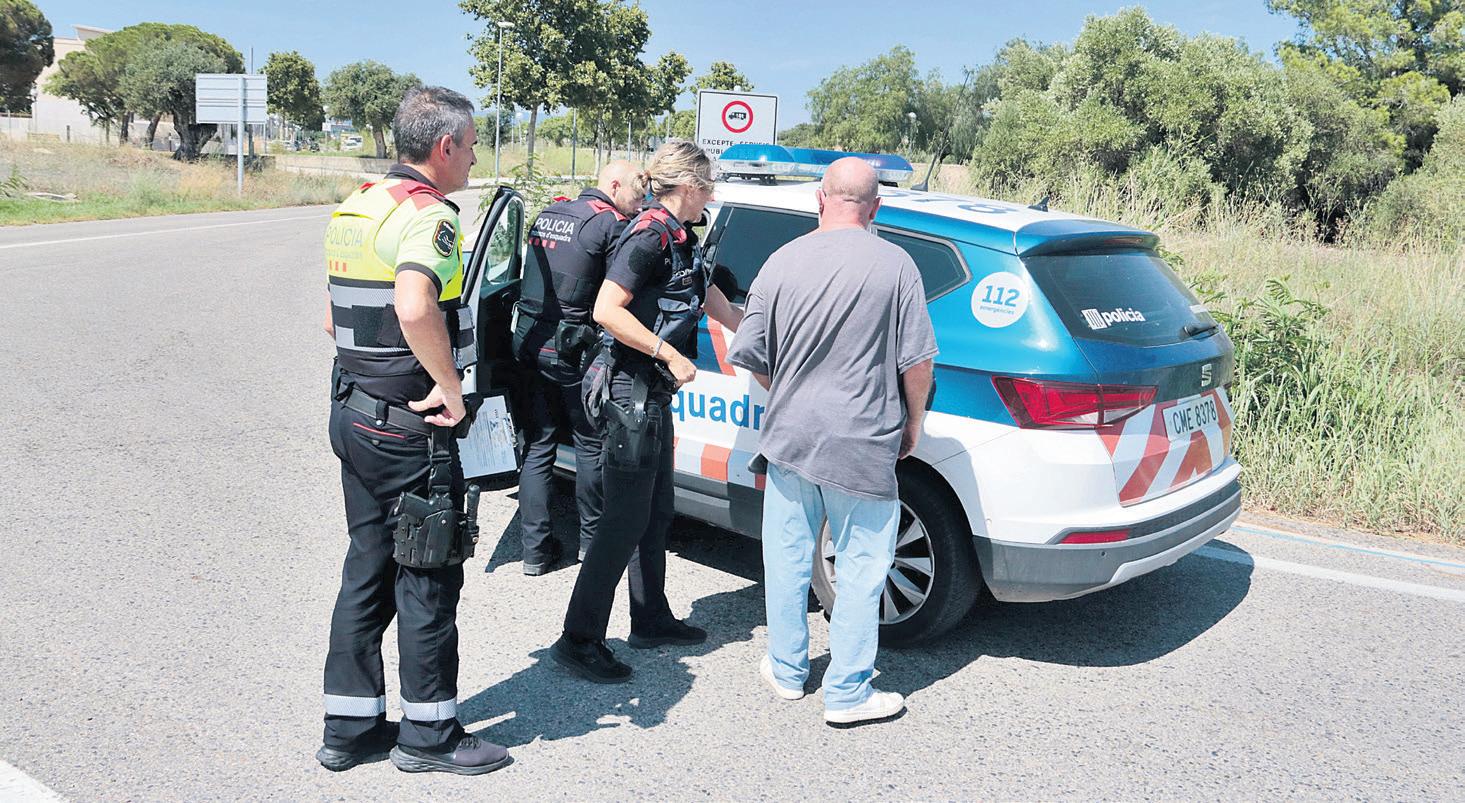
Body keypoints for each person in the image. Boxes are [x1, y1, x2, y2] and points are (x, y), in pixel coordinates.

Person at [318, 86, 510, 775]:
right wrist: (450, 386)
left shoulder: (358, 204)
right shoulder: (430, 215)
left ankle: (349, 728)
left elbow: (334, 319)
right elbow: (413, 304)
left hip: (354, 410)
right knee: (427, 573)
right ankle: (430, 735)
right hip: (410, 427)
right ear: (445, 146)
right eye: (473, 145)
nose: (475, 157)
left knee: (367, 566)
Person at [726, 157, 937, 726]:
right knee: (862, 568)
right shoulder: (896, 265)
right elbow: (918, 361)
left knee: (787, 558)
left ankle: (787, 671)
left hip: (790, 438)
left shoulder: (780, 260)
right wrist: (913, 422)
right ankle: (847, 693)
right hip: (863, 441)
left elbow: (748, 352)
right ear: (875, 207)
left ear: (820, 199)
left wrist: (789, 391)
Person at [551, 141, 743, 683]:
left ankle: (650, 618)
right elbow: (606, 309)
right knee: (623, 521)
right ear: (689, 186)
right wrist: (669, 353)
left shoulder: (683, 237)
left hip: (652, 394)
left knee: (656, 512)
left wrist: (758, 329)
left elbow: (710, 298)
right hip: (627, 392)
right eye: (708, 186)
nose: (711, 195)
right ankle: (578, 639)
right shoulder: (649, 235)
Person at [513, 161, 646, 575]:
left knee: (538, 445)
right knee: (589, 443)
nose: (640, 203)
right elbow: (619, 294)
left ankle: (534, 551)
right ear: (614, 185)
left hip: (529, 341)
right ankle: (592, 543)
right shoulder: (610, 226)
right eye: (637, 193)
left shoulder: (550, 213)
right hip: (574, 350)